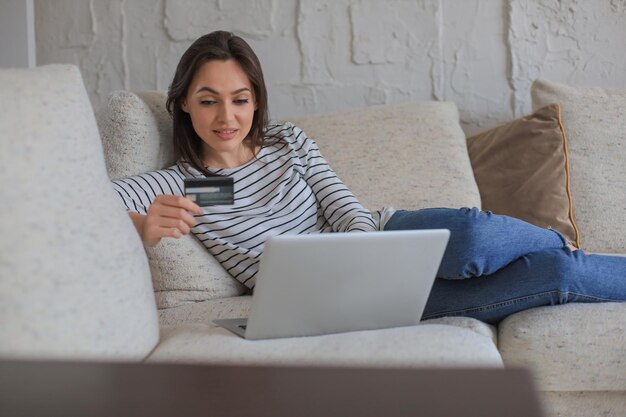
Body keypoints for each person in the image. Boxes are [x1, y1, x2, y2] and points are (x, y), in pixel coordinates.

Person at [112, 31, 626, 325]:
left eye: (240, 99)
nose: (227, 116)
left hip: (381, 234)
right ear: (182, 103)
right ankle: (567, 258)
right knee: (555, 276)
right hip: (334, 301)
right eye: (208, 100)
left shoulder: (287, 141)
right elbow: (77, 205)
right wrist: (140, 228)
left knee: (472, 233)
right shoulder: (179, 185)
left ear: (256, 101)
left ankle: (564, 248)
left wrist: (367, 253)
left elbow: (339, 202)